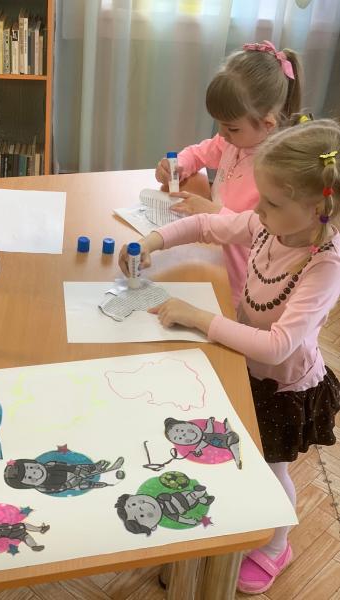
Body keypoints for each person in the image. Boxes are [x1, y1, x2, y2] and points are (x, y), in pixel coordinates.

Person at [119, 119, 340, 594]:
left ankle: (276, 545)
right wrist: (152, 241)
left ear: (319, 210)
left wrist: (199, 318)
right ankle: (235, 516)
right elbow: (206, 224)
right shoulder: (268, 226)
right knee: (236, 449)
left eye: (272, 202)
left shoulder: (324, 266)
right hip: (243, 365)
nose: (257, 209)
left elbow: (278, 345)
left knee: (272, 468)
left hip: (282, 387)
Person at [155, 40, 302, 306]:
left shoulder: (276, 172)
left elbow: (263, 233)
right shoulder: (233, 142)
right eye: (219, 125)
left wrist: (213, 212)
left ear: (268, 124)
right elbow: (200, 152)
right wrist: (177, 165)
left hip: (239, 278)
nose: (222, 134)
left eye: (231, 128)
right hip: (210, 249)